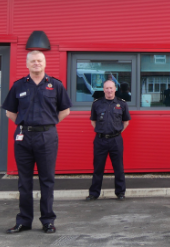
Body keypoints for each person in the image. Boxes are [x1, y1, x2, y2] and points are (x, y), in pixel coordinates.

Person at [2, 50, 71, 234]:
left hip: (47, 137)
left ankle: (47, 220)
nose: (36, 63)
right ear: (27, 64)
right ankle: (24, 221)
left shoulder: (55, 85)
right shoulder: (18, 86)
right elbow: (9, 112)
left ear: (45, 63)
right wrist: (25, 125)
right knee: (24, 182)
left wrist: (48, 123)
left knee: (47, 180)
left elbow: (65, 111)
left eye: (39, 60)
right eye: (33, 61)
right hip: (23, 138)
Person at [85, 79, 131, 202]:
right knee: (98, 168)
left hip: (116, 140)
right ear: (103, 89)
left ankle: (120, 192)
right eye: (107, 88)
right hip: (100, 140)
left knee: (119, 168)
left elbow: (126, 122)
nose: (109, 90)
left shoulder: (122, 104)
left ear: (115, 89)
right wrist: (102, 131)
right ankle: (94, 193)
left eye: (111, 88)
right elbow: (93, 121)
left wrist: (117, 132)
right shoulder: (97, 104)